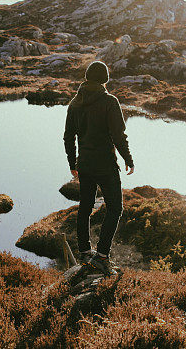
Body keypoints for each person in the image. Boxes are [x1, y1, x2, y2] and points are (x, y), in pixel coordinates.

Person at [63, 60, 134, 276]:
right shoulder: (110, 102)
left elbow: (68, 137)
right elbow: (118, 136)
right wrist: (128, 159)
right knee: (115, 208)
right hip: (105, 165)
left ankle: (85, 251)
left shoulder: (75, 103)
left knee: (85, 206)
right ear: (105, 79)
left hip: (84, 164)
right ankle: (102, 256)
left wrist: (72, 163)